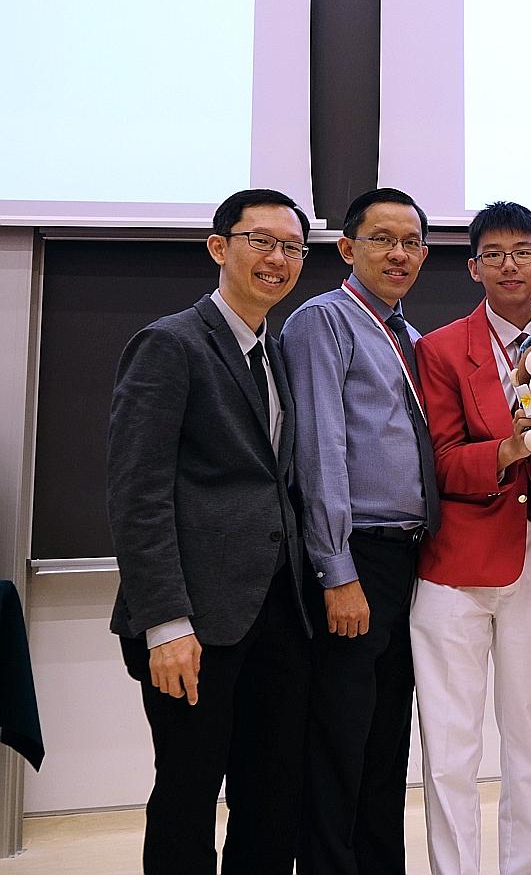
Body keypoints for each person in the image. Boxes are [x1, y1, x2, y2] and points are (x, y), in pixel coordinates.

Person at [108, 188, 312, 875]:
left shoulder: (277, 351)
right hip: (193, 623)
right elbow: (136, 493)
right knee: (188, 797)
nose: (277, 259)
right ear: (220, 247)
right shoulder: (170, 344)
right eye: (261, 241)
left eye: (291, 247)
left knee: (272, 796)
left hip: (278, 617)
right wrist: (164, 620)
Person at [411, 201, 531, 875]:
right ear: (473, 268)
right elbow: (439, 463)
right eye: (493, 254)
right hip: (453, 568)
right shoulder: (439, 348)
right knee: (452, 747)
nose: (509, 265)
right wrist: (505, 449)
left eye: (522, 252)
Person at [282, 188, 438, 875]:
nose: (397, 253)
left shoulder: (407, 335)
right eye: (382, 239)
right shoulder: (324, 321)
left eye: (410, 242)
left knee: (383, 748)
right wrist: (336, 571)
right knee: (338, 747)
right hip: (356, 559)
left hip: (409, 560)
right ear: (348, 249)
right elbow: (318, 451)